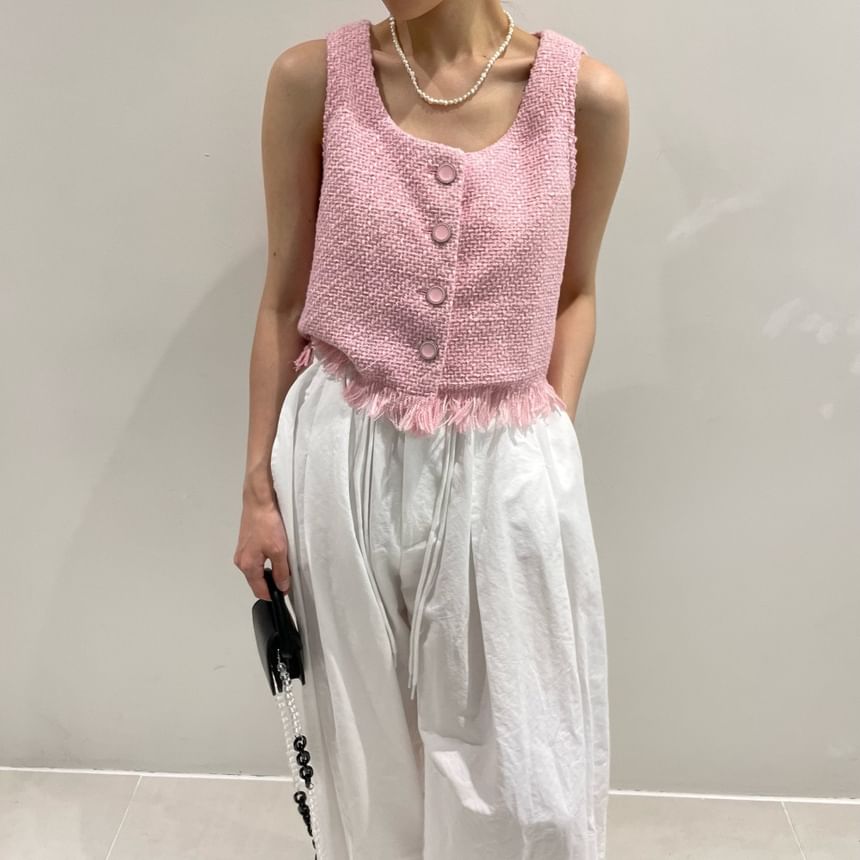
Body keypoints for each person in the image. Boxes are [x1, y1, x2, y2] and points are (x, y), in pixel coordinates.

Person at [234, 2, 628, 857]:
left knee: (525, 775)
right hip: (339, 455)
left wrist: (546, 443)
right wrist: (258, 489)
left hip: (506, 461)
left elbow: (575, 292)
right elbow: (282, 301)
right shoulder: (312, 80)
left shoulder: (585, 98)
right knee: (364, 758)